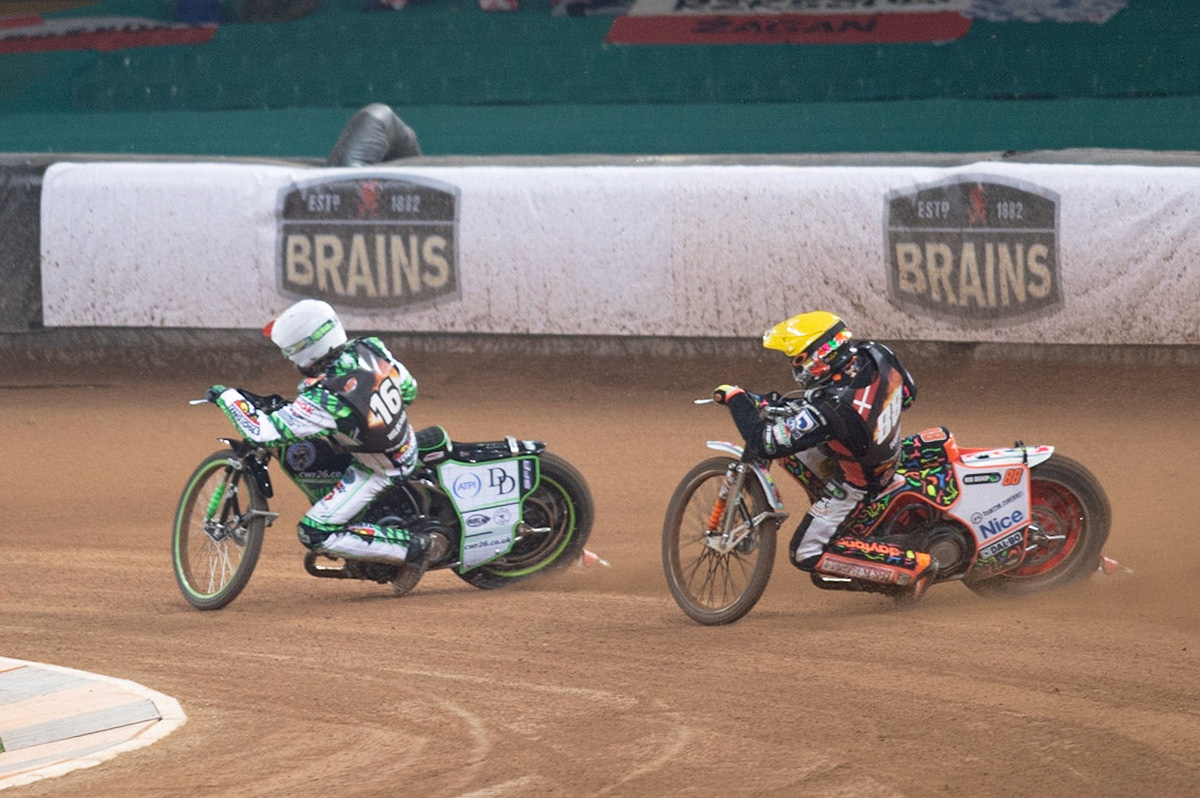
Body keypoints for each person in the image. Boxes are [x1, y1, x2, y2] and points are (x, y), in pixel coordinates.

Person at [711, 311, 936, 595]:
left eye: (797, 359)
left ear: (819, 357)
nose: (795, 367)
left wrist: (737, 400)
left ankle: (909, 568)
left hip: (859, 483)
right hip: (888, 450)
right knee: (802, 441)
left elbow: (764, 443)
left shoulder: (832, 409)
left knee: (804, 553)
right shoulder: (877, 353)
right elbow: (909, 394)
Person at [205, 298, 433, 578]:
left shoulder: (326, 396)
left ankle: (413, 548)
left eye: (291, 352)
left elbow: (263, 433)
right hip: (403, 441)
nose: (289, 358)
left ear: (306, 352)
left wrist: (227, 397)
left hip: (379, 469)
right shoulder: (370, 348)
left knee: (314, 532)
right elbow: (409, 389)